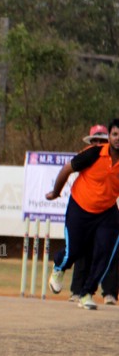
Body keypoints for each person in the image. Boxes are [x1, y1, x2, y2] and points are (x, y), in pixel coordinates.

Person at [47, 119, 119, 310]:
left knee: (105, 252)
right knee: (75, 250)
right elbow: (66, 170)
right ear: (110, 137)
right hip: (80, 208)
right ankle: (59, 267)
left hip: (107, 212)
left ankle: (87, 293)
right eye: (115, 134)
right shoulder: (93, 154)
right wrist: (55, 193)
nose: (118, 139)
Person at [69, 125, 119, 305]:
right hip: (86, 210)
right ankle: (77, 291)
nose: (98, 144)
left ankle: (110, 293)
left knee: (108, 251)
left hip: (106, 211)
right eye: (95, 141)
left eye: (101, 141)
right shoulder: (89, 155)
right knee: (81, 250)